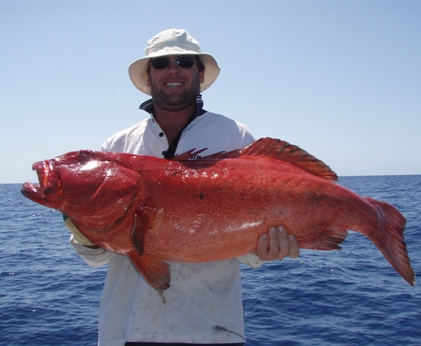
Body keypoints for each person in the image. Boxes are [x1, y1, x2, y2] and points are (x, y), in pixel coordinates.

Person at [66, 28, 299, 346]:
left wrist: (268, 249)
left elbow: (249, 257)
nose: (172, 69)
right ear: (149, 77)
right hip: (125, 329)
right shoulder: (117, 146)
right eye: (161, 63)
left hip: (212, 331)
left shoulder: (234, 136)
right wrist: (82, 229)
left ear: (199, 74)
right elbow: (95, 258)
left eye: (184, 61)